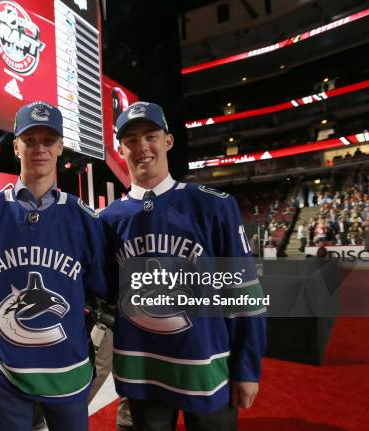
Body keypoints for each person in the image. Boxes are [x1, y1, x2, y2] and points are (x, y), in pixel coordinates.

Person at [101, 102, 266, 431]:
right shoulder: (108, 220)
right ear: (121, 149)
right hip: (143, 374)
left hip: (207, 371)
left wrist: (246, 369)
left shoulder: (214, 205)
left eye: (150, 135)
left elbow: (245, 293)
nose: (142, 146)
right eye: (131, 140)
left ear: (168, 141)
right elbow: (106, 296)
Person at [0, 101, 109, 431]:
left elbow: (103, 292)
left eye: (48, 140)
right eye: (30, 140)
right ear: (16, 146)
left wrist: (92, 343)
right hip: (5, 372)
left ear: (61, 146)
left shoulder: (84, 218)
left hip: (70, 369)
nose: (40, 149)